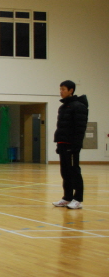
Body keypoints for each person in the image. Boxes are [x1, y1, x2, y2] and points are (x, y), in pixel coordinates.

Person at [52, 80, 88, 210]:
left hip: (72, 145)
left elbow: (80, 127)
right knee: (65, 172)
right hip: (63, 144)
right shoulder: (63, 107)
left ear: (71, 90)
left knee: (74, 171)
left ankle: (77, 199)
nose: (61, 91)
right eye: (60, 89)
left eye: (63, 89)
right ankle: (67, 197)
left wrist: (76, 144)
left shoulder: (79, 106)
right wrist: (58, 143)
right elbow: (61, 127)